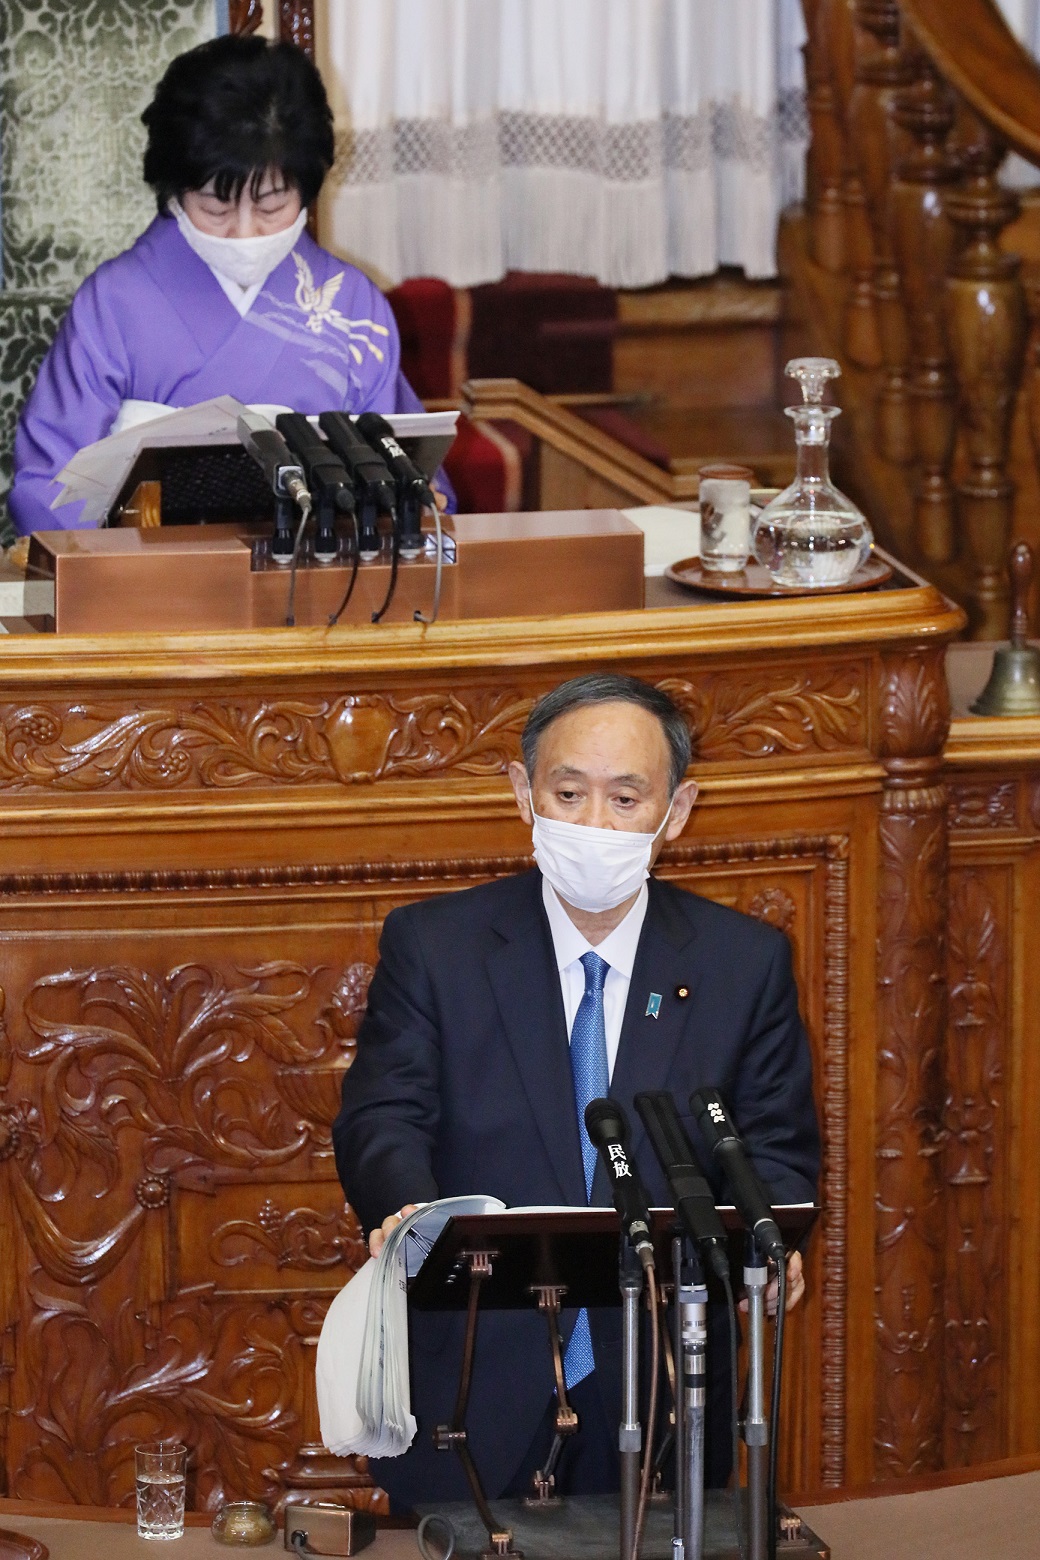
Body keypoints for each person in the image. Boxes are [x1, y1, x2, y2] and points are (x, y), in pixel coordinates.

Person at [334, 672, 820, 1511]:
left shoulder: (744, 964)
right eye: (568, 793)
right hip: (474, 1378)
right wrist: (409, 1214)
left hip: (663, 1388)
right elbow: (383, 1116)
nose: (594, 823)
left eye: (626, 798)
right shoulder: (436, 946)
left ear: (676, 810)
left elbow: (774, 1149)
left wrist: (770, 1247)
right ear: (523, 793)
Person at [10, 34, 439, 535]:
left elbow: (407, 474)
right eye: (216, 206)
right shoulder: (113, 304)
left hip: (320, 568)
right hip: (148, 573)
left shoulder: (352, 305)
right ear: (175, 188)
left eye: (271, 204)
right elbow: (49, 488)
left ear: (307, 189)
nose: (244, 231)